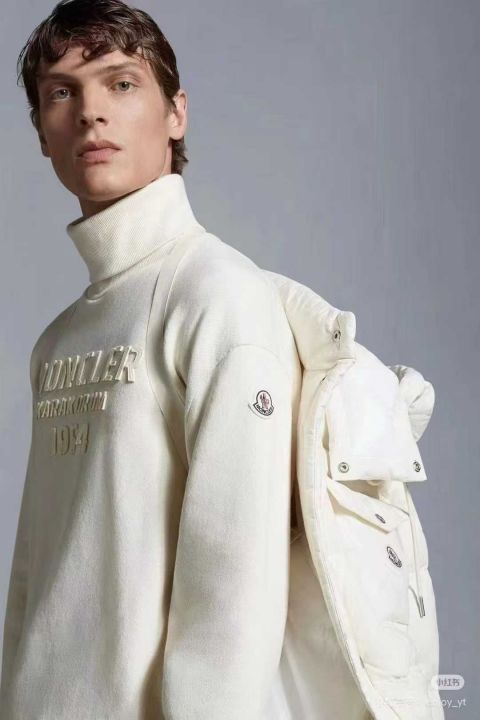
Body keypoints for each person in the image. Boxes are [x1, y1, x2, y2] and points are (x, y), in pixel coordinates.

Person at [0, 1, 308, 718]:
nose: (90, 113)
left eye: (121, 83)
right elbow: (36, 581)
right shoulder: (58, 340)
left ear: (176, 113)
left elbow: (235, 590)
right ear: (42, 133)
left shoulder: (219, 298)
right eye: (61, 92)